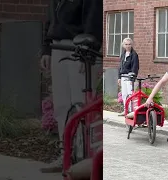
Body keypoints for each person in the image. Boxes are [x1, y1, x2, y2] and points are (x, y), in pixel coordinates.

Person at [39, 0, 102, 173]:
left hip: (80, 46)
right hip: (57, 46)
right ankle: (65, 154)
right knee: (61, 105)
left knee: (81, 104)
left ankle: (85, 158)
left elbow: (94, 17)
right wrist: (46, 49)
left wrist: (88, 49)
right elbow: (50, 20)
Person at [117, 38, 139, 116]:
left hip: (129, 78)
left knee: (130, 94)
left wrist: (132, 78)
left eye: (129, 44)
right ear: (123, 45)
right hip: (123, 76)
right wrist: (119, 77)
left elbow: (135, 67)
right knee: (124, 94)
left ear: (131, 45)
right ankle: (125, 110)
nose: (128, 46)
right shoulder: (123, 54)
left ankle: (131, 111)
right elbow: (120, 66)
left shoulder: (134, 54)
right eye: (126, 44)